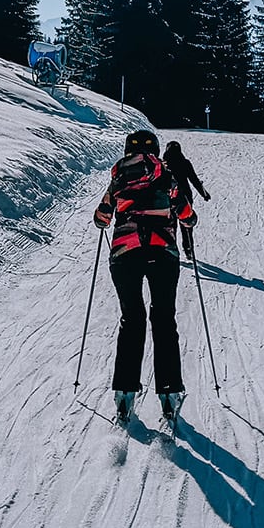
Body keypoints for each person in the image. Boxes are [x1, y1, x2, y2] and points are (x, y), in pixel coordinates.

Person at [94, 129, 185, 424]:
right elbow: (184, 210)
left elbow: (102, 216)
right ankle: (169, 393)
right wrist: (189, 219)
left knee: (132, 318)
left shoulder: (119, 176)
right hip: (162, 251)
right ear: (155, 150)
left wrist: (108, 219)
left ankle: (124, 392)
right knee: (163, 318)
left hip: (125, 251)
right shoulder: (165, 174)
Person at [162, 139, 210, 263]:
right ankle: (188, 250)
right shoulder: (185, 163)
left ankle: (171, 251)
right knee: (187, 226)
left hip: (169, 199)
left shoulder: (163, 165)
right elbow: (194, 179)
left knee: (170, 226)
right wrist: (204, 194)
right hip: (186, 198)